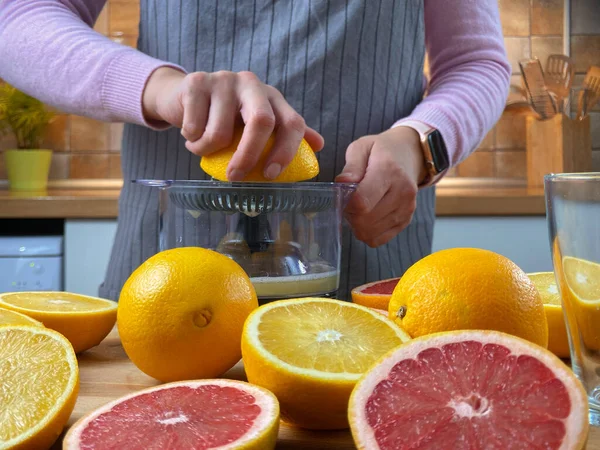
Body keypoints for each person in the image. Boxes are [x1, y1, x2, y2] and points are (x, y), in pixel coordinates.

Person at [0, 0, 510, 301]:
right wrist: (164, 90)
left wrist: (421, 144)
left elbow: (478, 61)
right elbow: (15, 17)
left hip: (367, 276)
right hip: (165, 284)